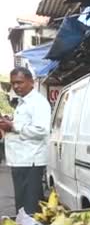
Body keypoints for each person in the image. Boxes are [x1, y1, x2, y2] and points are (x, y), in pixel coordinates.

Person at [0, 67, 51, 214]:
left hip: (30, 162)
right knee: (23, 206)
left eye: (19, 82)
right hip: (20, 161)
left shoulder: (37, 102)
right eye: (13, 83)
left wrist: (13, 126)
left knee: (30, 206)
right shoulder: (23, 102)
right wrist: (9, 123)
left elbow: (42, 130)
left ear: (31, 82)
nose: (16, 86)